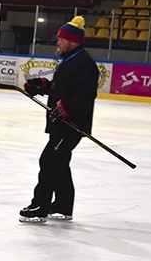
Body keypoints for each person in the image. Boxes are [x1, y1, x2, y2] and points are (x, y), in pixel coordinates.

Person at [19, 16, 99, 223]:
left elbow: (86, 94)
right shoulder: (70, 61)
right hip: (60, 124)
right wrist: (43, 86)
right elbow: (62, 89)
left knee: (49, 161)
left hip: (72, 126)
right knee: (60, 163)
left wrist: (67, 109)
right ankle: (63, 206)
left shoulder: (85, 64)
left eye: (61, 39)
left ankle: (39, 207)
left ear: (72, 41)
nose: (58, 42)